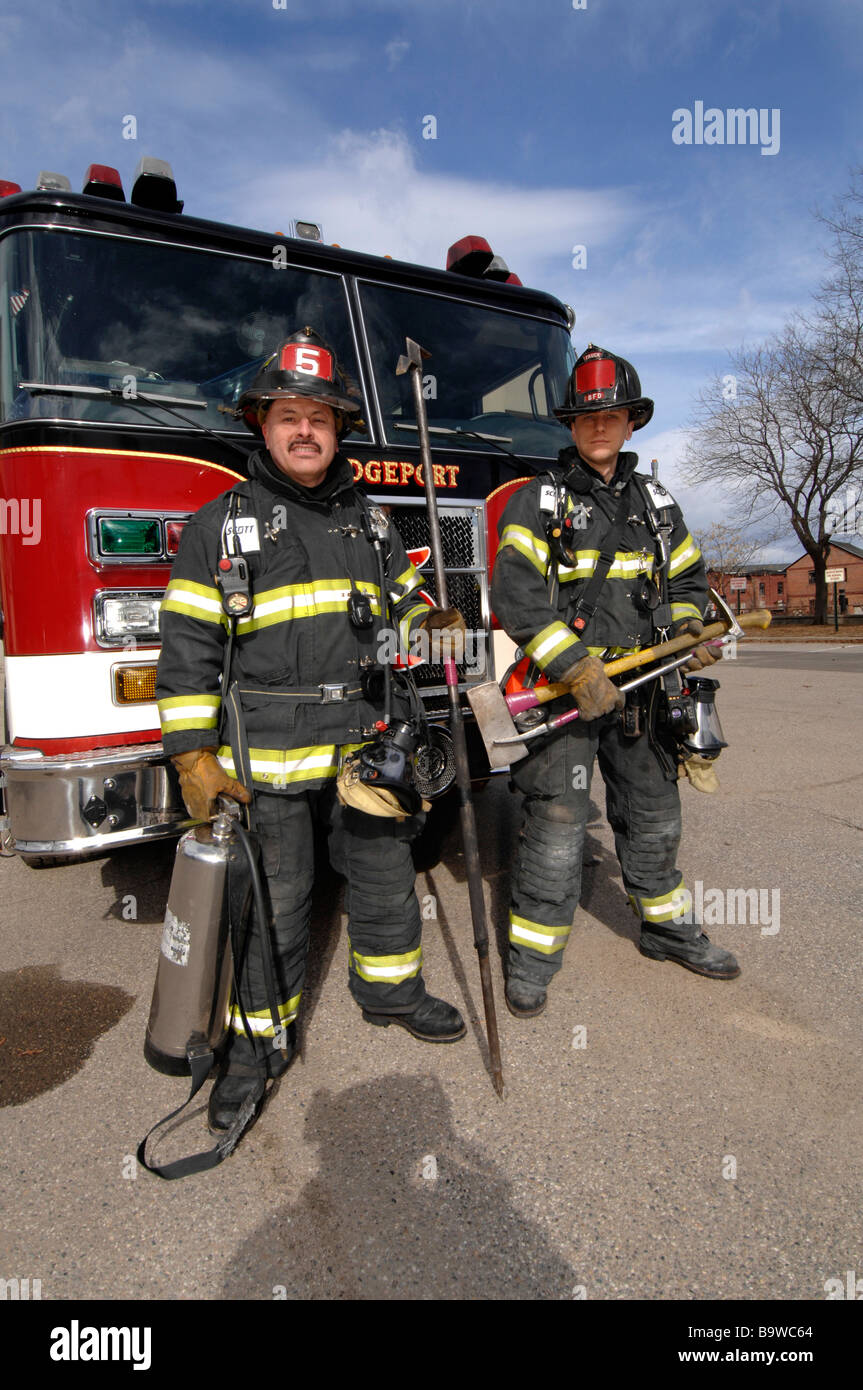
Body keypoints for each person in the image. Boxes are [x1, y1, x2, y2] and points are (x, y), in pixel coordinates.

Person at [155, 327, 467, 1133]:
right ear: (261, 422)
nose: (305, 431)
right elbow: (190, 648)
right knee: (276, 898)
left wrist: (428, 620)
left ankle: (390, 990)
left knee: (382, 872)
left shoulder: (368, 522)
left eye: (320, 419)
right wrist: (190, 754)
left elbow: (402, 607)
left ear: (337, 433)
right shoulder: (217, 526)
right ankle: (258, 1048)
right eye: (289, 415)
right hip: (267, 752)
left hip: (366, 739)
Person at [490, 344, 740, 1018]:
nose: (599, 427)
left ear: (632, 421)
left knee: (654, 816)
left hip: (644, 688)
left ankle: (665, 928)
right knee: (557, 823)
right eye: (585, 417)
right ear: (569, 425)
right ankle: (532, 961)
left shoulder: (656, 504)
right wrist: (573, 667)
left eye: (612, 415)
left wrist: (689, 634)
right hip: (566, 693)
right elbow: (515, 596)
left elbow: (688, 580)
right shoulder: (535, 501)